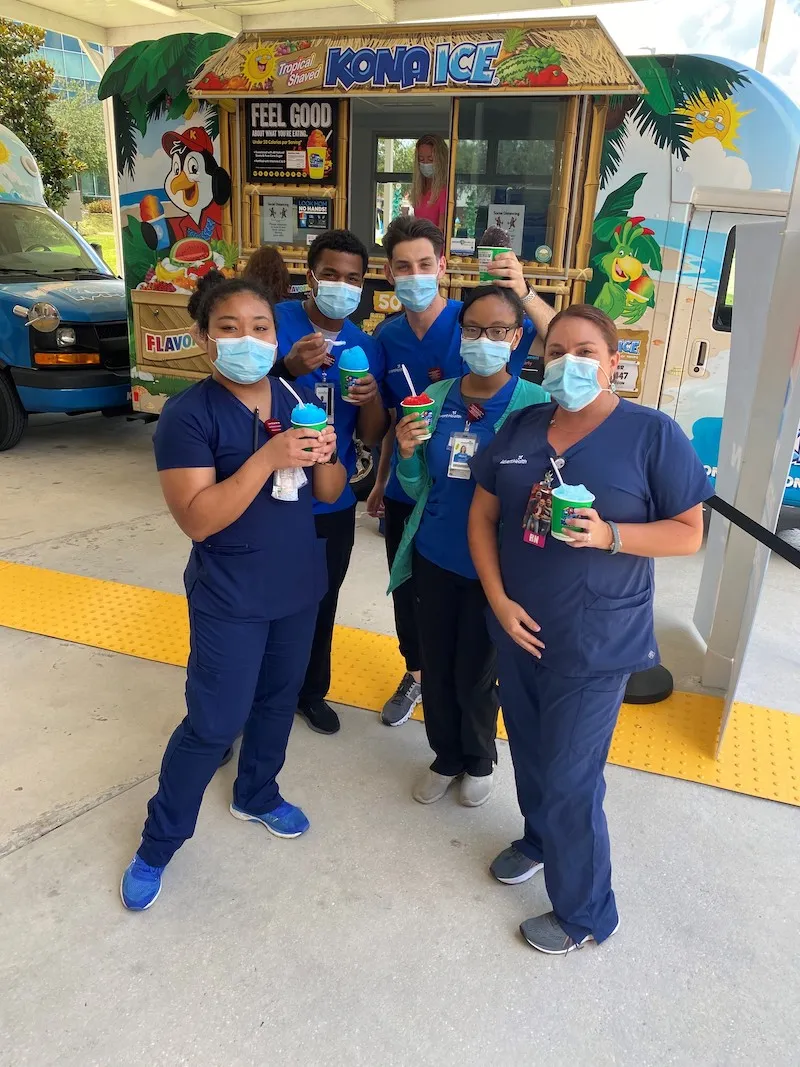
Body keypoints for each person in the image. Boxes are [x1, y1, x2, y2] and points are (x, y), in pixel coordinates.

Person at [468, 304, 712, 954]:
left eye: (584, 352)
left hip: (596, 638)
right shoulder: (521, 427)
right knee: (530, 748)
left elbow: (690, 533)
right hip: (519, 626)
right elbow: (482, 517)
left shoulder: (650, 434)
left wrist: (612, 536)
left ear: (612, 364)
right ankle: (539, 839)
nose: (568, 363)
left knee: (574, 776)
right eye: (555, 351)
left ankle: (586, 914)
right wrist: (497, 599)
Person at [120, 271, 346, 911]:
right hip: (231, 595)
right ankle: (158, 844)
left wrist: (325, 452)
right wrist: (268, 460)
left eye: (261, 328)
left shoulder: (294, 396)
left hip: (297, 587)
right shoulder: (188, 417)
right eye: (229, 329)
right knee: (214, 721)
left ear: (278, 337)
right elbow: (197, 518)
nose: (247, 340)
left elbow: (328, 496)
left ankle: (256, 793)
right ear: (202, 338)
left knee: (277, 702)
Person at [368, 215, 554, 727]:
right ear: (389, 272)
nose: (414, 275)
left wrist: (525, 289)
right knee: (414, 603)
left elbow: (564, 339)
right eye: (402, 267)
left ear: (442, 266)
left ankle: (467, 710)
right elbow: (392, 418)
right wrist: (383, 478)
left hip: (485, 500)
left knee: (475, 628)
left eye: (424, 264)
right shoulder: (388, 337)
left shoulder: (477, 316)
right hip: (418, 492)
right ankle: (418, 675)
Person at [388, 286, 549, 807]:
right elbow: (416, 487)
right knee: (434, 663)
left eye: (498, 331)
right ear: (460, 335)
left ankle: (479, 757)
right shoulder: (435, 400)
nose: (485, 340)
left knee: (478, 671)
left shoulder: (535, 406)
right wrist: (407, 454)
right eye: (473, 329)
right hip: (435, 556)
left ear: (517, 337)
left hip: (497, 571)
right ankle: (445, 754)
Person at [270, 229, 386, 736]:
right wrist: (288, 366)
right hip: (270, 490)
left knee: (322, 598)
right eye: (332, 275)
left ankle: (310, 691)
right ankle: (251, 697)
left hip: (330, 495)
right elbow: (238, 390)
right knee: (265, 599)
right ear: (311, 276)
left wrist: (370, 398)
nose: (342, 285)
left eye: (354, 278)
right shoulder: (276, 323)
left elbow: (371, 432)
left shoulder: (365, 345)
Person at [410, 134, 448, 231]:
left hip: (434, 245)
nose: (425, 163)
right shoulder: (419, 191)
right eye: (421, 159)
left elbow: (442, 229)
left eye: (430, 159)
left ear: (440, 160)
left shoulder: (444, 191)